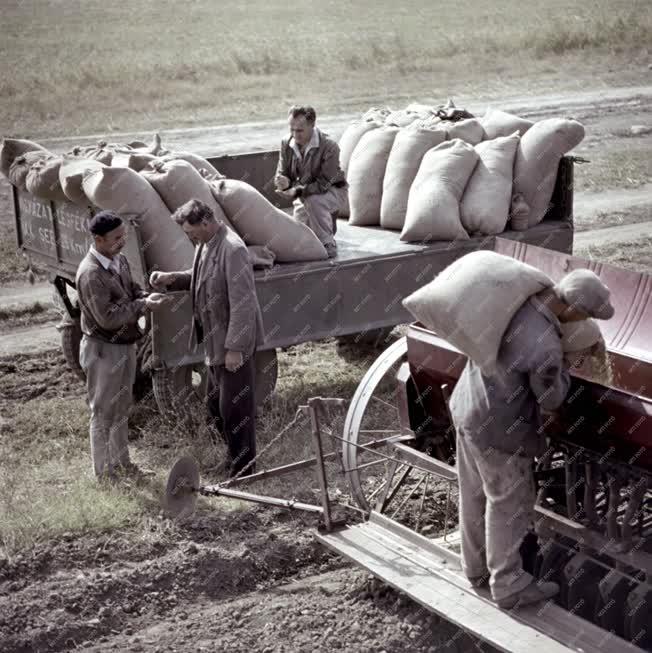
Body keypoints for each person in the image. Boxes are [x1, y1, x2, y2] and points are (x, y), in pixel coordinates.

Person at [449, 269, 615, 609]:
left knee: (475, 493)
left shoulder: (516, 304)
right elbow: (551, 399)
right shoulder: (546, 347)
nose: (585, 320)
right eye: (587, 314)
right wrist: (569, 365)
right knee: (510, 502)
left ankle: (476, 569)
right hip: (499, 428)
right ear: (574, 309)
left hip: (467, 405)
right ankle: (509, 586)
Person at [150, 199, 263, 477]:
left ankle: (244, 468)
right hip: (214, 344)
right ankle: (233, 458)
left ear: (206, 221)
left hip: (230, 344)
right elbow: (201, 276)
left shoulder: (233, 249)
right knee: (216, 407)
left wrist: (235, 348)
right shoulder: (206, 242)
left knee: (235, 409)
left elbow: (243, 304)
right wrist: (172, 278)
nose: (190, 237)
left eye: (191, 232)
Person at [76, 210, 168, 481]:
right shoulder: (91, 274)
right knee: (102, 412)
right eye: (117, 237)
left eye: (124, 235)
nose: (122, 241)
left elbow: (132, 291)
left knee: (121, 408)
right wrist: (142, 305)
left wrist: (145, 295)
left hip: (124, 346)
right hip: (103, 350)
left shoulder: (120, 260)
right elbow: (107, 318)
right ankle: (104, 475)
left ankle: (123, 465)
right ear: (98, 239)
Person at [274, 105, 348, 259]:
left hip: (332, 191)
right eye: (291, 129)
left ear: (312, 125)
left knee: (314, 202)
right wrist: (284, 182)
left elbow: (325, 183)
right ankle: (328, 222)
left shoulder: (329, 146)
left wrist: (297, 191)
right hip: (304, 194)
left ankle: (328, 245)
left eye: (299, 130)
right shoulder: (286, 143)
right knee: (301, 240)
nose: (295, 134)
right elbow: (283, 171)